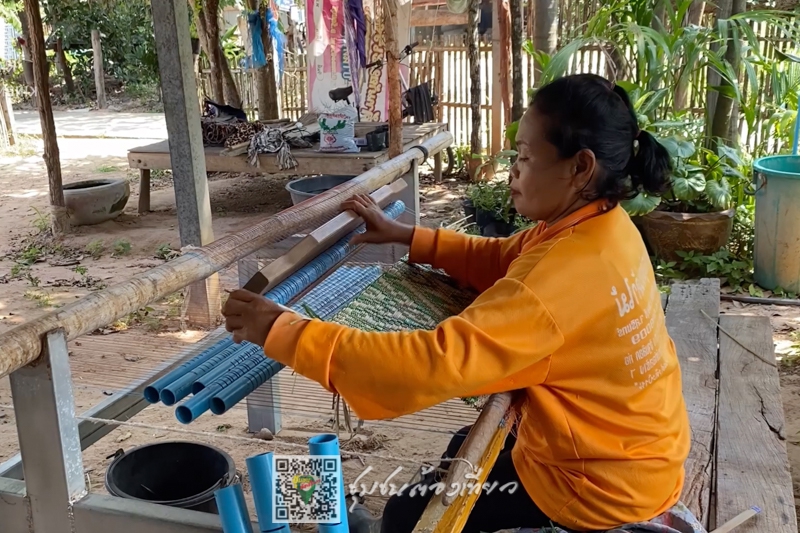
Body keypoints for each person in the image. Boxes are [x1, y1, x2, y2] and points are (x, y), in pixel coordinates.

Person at [222, 73, 691, 533]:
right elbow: (508, 257)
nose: (514, 169)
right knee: (462, 443)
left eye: (525, 157)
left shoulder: (556, 282)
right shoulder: (603, 228)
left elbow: (424, 368)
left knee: (409, 515)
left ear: (581, 167)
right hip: (638, 452)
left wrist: (282, 331)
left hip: (597, 487)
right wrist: (409, 238)